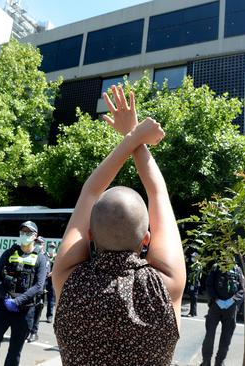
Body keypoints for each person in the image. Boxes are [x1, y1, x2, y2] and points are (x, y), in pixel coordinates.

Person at [51, 85, 186, 365]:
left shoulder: (67, 279)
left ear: (90, 235)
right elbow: (158, 193)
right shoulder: (166, 286)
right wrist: (134, 137)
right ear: (146, 239)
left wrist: (134, 136)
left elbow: (89, 192)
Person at [0, 221, 47, 366]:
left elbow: (39, 286)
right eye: (22, 232)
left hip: (24, 311)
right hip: (4, 307)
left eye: (28, 233)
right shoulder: (9, 253)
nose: (24, 235)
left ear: (35, 236)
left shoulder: (40, 258)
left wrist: (17, 301)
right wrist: (6, 297)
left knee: (15, 351)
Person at [200, 263, 244, 366]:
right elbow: (209, 285)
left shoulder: (237, 269)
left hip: (231, 308)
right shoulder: (216, 267)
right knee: (209, 336)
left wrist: (233, 300)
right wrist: (216, 299)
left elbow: (242, 288)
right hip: (215, 306)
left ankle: (219, 361)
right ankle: (206, 361)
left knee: (226, 337)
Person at [27, 236, 48, 342]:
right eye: (36, 242)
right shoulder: (31, 255)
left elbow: (46, 273)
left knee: (36, 313)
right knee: (29, 312)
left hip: (40, 289)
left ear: (43, 245)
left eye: (40, 243)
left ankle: (34, 333)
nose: (38, 245)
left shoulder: (45, 257)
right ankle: (28, 331)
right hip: (30, 289)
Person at [184, 252, 203, 317]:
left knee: (193, 298)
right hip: (192, 283)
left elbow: (196, 275)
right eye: (192, 257)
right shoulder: (193, 264)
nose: (192, 258)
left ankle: (192, 313)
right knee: (193, 298)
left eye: (194, 257)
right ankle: (193, 312)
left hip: (194, 283)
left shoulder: (198, 264)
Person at [44, 242, 57, 323]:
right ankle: (35, 316)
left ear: (55, 248)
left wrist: (52, 273)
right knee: (39, 299)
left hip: (51, 281)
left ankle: (49, 316)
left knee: (50, 299)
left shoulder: (57, 257)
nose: (51, 248)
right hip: (43, 280)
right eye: (50, 247)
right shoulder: (44, 256)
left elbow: (59, 267)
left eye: (53, 247)